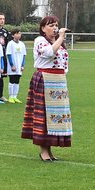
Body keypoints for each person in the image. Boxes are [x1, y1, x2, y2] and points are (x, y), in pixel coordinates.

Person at [21, 16, 72, 162]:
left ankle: (50, 149)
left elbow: (64, 63)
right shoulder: (40, 41)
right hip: (45, 79)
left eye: (56, 25)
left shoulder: (59, 43)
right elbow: (50, 53)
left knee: (55, 118)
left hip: (59, 82)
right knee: (44, 116)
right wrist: (61, 37)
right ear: (43, 28)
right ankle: (43, 150)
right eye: (51, 25)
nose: (54, 28)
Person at [5, 30, 27, 104]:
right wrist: (12, 65)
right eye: (17, 34)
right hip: (13, 66)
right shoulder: (10, 44)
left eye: (19, 33)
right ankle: (11, 96)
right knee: (12, 80)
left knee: (17, 81)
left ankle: (15, 96)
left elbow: (24, 55)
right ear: (13, 35)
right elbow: (9, 55)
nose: (18, 35)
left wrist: (22, 65)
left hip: (19, 66)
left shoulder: (22, 44)